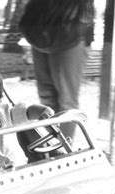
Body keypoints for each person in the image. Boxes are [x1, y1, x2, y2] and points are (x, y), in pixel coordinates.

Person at [19, 0, 94, 142]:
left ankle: (64, 149)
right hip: (40, 29)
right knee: (46, 97)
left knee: (66, 100)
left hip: (71, 31)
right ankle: (54, 144)